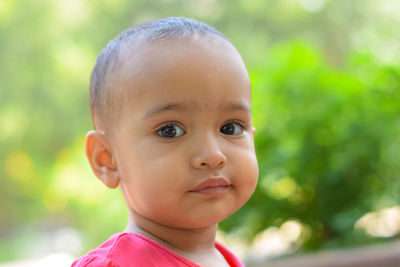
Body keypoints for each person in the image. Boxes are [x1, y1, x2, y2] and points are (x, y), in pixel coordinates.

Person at [72, 17, 259, 267]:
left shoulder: (226, 260)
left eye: (231, 127)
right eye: (170, 131)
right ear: (107, 159)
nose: (213, 155)